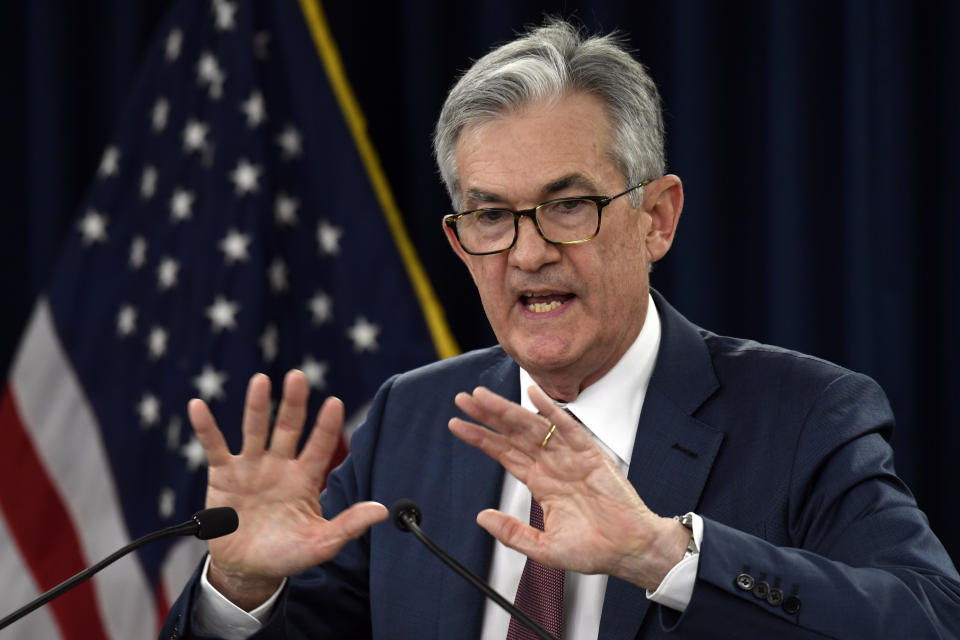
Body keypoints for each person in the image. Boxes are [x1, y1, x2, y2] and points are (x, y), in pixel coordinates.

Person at [161, 20, 960, 640]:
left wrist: (665, 556)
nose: (529, 252)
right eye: (492, 216)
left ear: (656, 219)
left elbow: (930, 616)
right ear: (459, 242)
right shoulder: (413, 419)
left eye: (568, 206)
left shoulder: (803, 416)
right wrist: (240, 593)